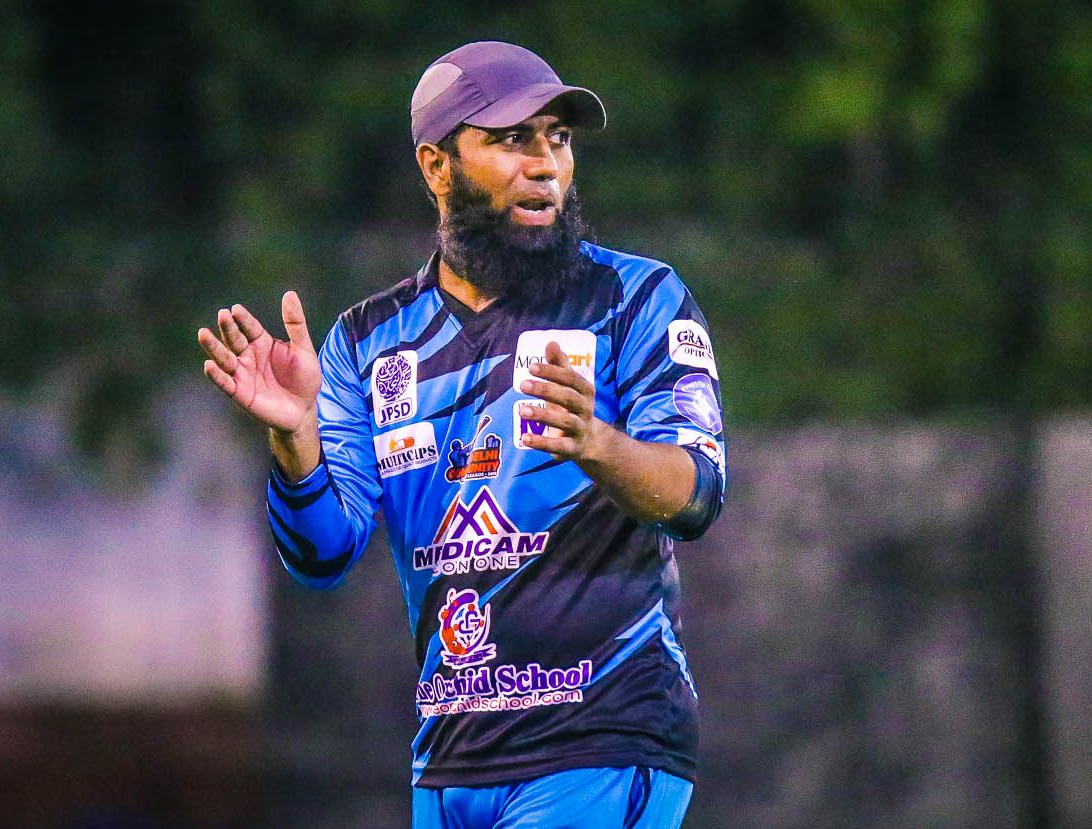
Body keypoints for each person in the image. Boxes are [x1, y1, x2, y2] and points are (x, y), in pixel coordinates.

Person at [196, 40, 726, 829]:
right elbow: (320, 554)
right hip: (449, 762)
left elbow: (697, 494)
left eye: (558, 139)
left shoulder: (636, 298)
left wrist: (598, 444)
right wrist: (296, 437)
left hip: (601, 740)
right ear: (436, 165)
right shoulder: (368, 340)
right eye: (511, 139)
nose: (544, 164)